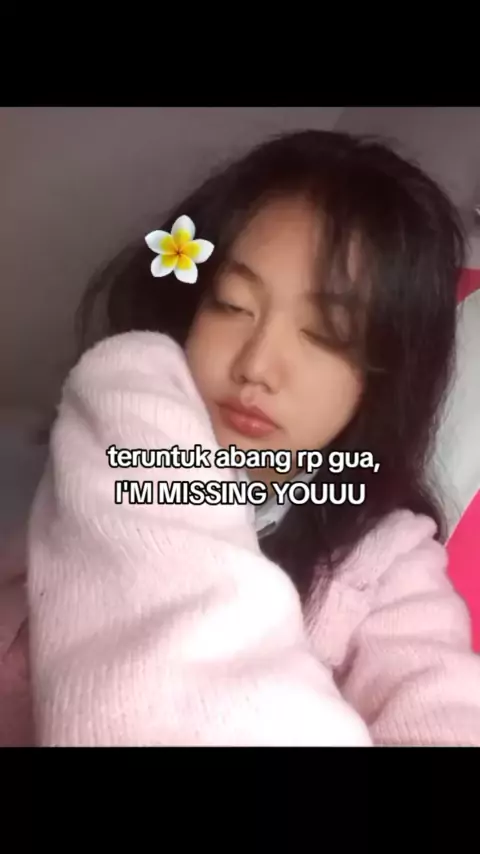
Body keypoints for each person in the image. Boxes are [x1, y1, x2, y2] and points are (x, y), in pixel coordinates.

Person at [27, 129, 480, 746]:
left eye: (327, 333)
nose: (257, 366)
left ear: (383, 380)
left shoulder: (391, 559)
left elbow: (441, 701)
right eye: (232, 305)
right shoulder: (128, 406)